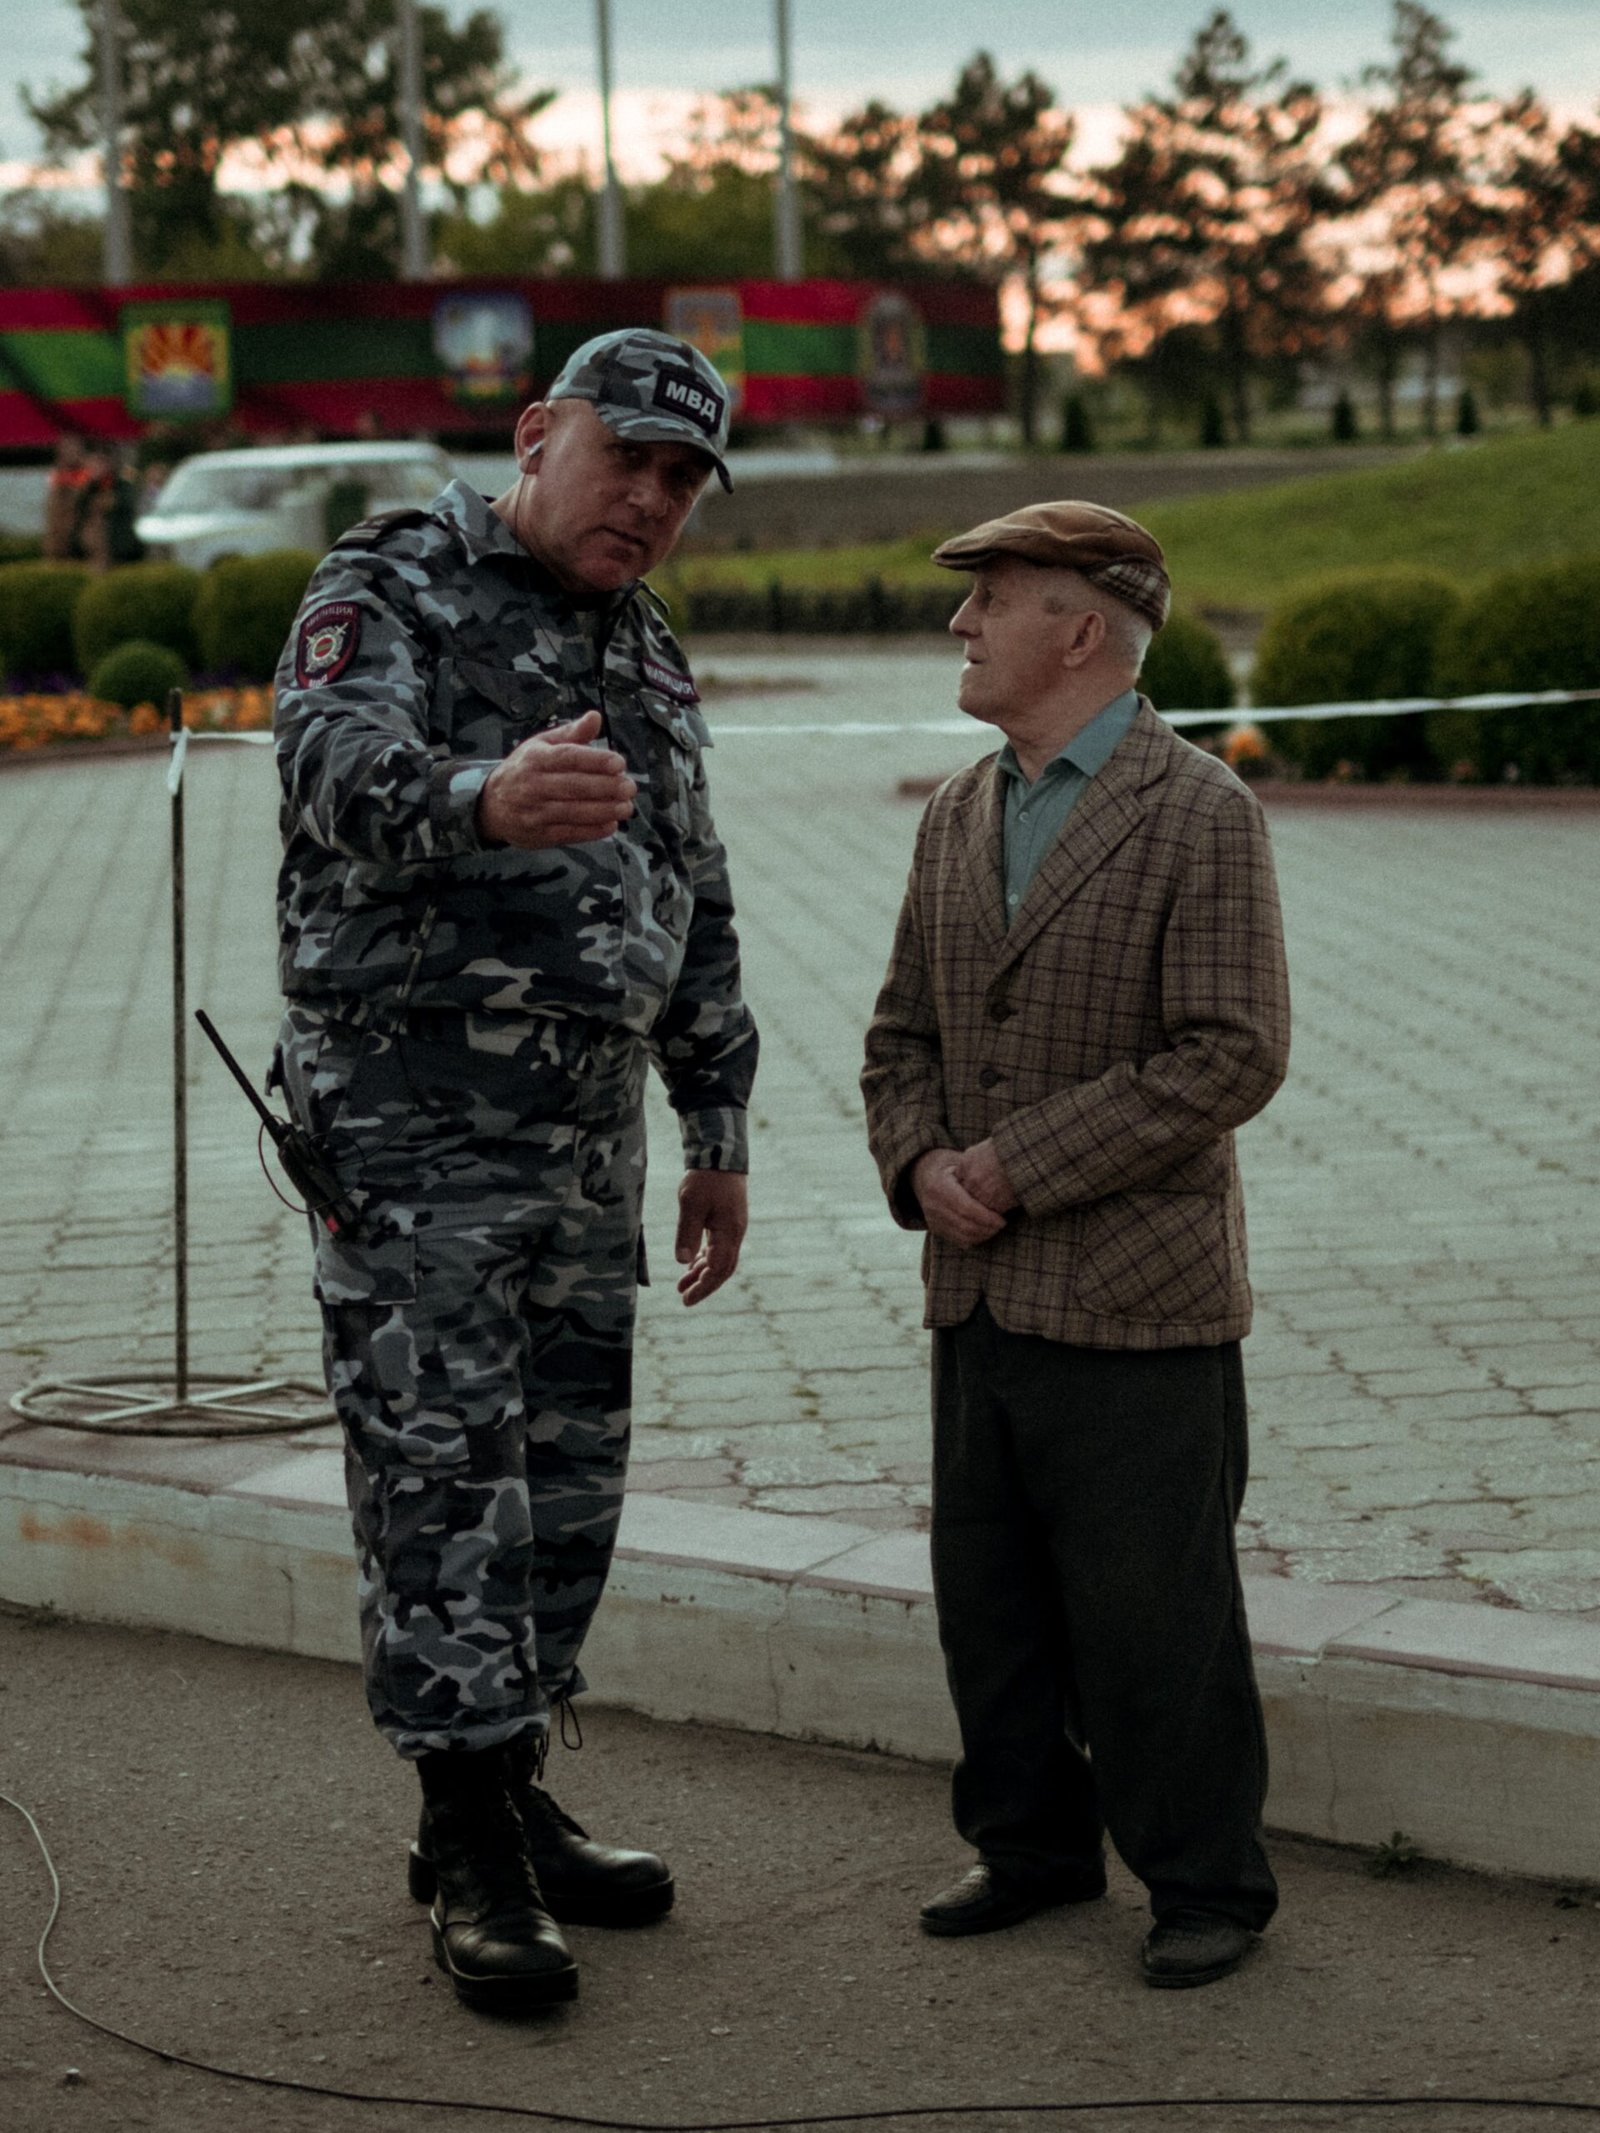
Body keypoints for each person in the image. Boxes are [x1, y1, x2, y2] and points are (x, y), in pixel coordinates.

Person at [272, 328, 758, 2011]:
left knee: (563, 1478)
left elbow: (695, 884)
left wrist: (717, 1125)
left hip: (585, 1141)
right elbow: (324, 765)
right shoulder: (393, 579)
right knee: (441, 1483)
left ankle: (512, 1784)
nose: (651, 498)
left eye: (683, 479)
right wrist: (484, 796)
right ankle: (461, 1833)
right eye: (626, 456)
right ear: (535, 432)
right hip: (410, 1132)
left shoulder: (650, 649)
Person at [861, 501, 1290, 1991]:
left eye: (992, 598)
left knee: (1154, 1609)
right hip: (974, 1286)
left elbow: (1231, 1053)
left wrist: (1014, 1166)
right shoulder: (957, 810)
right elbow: (900, 1031)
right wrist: (918, 1164)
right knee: (991, 1593)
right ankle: (1032, 1846)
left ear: (1084, 629)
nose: (962, 625)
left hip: (1136, 1302)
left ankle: (1206, 1881)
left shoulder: (1201, 812)